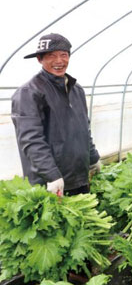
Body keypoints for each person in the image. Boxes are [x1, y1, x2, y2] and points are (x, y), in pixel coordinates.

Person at [11, 33, 101, 197]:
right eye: (51, 56)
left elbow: (83, 129)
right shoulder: (29, 93)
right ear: (40, 59)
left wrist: (93, 158)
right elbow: (31, 140)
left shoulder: (76, 90)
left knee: (82, 223)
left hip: (79, 178)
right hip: (51, 184)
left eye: (63, 55)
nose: (59, 61)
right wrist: (52, 175)